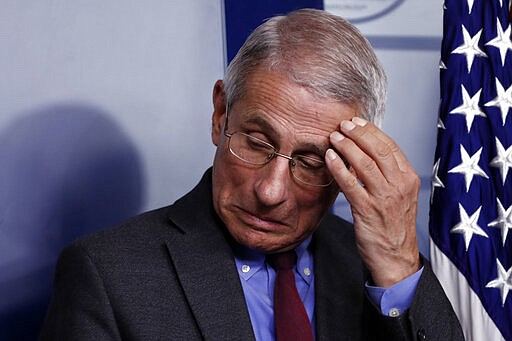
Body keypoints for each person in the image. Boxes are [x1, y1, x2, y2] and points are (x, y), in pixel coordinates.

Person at [40, 8, 464, 341]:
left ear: (351, 164)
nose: (271, 191)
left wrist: (398, 264)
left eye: (312, 163)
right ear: (220, 112)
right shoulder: (108, 273)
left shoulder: (386, 275)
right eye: (257, 144)